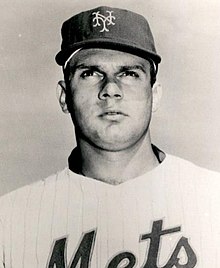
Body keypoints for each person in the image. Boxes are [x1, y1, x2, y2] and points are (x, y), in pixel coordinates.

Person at [0, 6, 220, 268]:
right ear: (64, 97)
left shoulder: (211, 199)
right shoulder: (12, 220)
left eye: (129, 74)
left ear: (155, 95)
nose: (111, 89)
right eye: (90, 73)